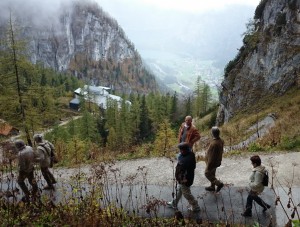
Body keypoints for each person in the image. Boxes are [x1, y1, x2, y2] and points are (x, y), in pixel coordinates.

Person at [167, 142, 200, 212]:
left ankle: (195, 206)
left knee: (186, 194)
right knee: (179, 190)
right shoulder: (191, 154)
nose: (180, 151)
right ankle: (174, 203)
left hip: (185, 180)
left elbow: (181, 170)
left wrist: (181, 179)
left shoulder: (185, 160)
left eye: (181, 150)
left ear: (184, 150)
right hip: (186, 178)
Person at [204, 126, 224, 192]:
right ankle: (212, 187)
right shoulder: (220, 140)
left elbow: (212, 156)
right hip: (217, 161)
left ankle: (219, 184)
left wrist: (209, 164)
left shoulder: (214, 144)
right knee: (212, 173)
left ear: (212, 133)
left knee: (207, 173)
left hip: (212, 162)